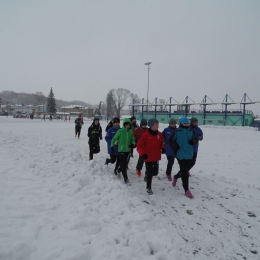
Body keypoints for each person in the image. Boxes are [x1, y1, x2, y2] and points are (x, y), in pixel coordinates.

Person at [171, 117, 198, 198]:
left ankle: (176, 176)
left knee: (186, 170)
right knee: (185, 172)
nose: (186, 124)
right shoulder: (177, 132)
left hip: (189, 154)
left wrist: (194, 141)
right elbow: (170, 140)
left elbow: (195, 140)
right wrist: (175, 146)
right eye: (184, 123)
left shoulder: (191, 132)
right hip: (180, 155)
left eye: (187, 123)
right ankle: (186, 190)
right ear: (181, 123)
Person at [137, 118, 165, 195]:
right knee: (150, 174)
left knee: (155, 173)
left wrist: (163, 148)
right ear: (152, 125)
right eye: (156, 124)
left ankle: (146, 174)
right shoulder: (145, 135)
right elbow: (139, 146)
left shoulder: (159, 134)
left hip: (156, 157)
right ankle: (148, 187)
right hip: (148, 158)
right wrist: (143, 154)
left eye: (158, 124)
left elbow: (162, 142)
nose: (158, 125)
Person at [110, 118, 135, 185]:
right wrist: (112, 146)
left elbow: (133, 139)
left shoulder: (130, 132)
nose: (127, 126)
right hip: (121, 150)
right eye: (126, 125)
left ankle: (119, 170)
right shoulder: (120, 131)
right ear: (124, 125)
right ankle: (126, 179)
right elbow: (114, 138)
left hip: (128, 150)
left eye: (128, 125)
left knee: (126, 163)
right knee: (123, 165)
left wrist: (133, 144)